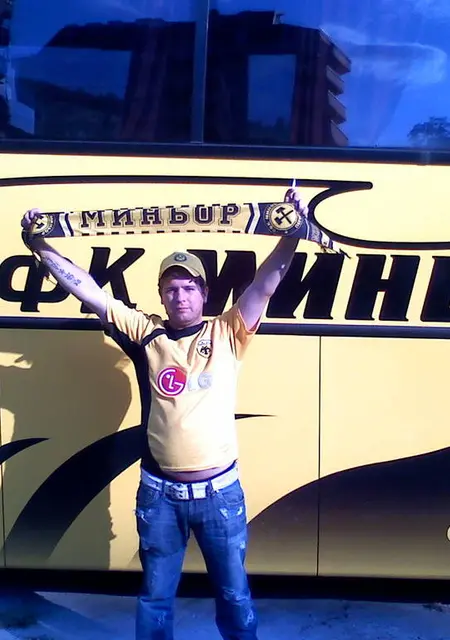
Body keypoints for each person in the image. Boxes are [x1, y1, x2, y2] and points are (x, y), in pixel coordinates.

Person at [21, 187, 307, 640]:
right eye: (171, 289)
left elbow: (265, 284)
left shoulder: (228, 332)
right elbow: (87, 290)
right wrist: (40, 246)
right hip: (160, 498)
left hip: (221, 497)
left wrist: (291, 233)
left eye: (189, 287)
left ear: (204, 293)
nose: (180, 296)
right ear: (160, 295)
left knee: (234, 596)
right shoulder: (145, 333)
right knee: (155, 598)